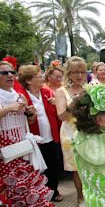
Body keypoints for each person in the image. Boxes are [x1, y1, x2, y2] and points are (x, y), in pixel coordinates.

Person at [0, 61, 54, 206]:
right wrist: (8, 108)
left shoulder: (18, 96)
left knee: (29, 188)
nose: (10, 75)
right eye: (4, 73)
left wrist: (31, 115)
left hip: (23, 148)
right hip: (4, 149)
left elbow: (29, 122)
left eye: (12, 72)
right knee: (10, 189)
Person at [16, 64, 64, 202]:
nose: (42, 77)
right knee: (38, 168)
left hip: (52, 136)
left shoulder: (47, 92)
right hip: (35, 138)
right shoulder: (22, 96)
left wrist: (56, 103)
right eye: (38, 76)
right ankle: (40, 194)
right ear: (29, 81)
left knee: (54, 166)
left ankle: (54, 191)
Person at [54, 56, 86, 206]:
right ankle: (80, 197)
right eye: (74, 72)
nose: (79, 75)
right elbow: (62, 116)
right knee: (77, 168)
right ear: (69, 74)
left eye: (82, 72)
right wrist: (74, 101)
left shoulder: (90, 89)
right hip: (70, 135)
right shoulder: (62, 92)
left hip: (90, 132)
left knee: (94, 165)